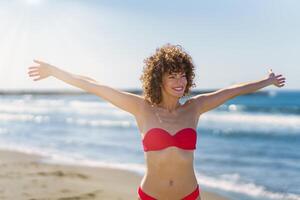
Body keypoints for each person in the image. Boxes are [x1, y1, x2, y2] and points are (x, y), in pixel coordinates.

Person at [27, 44, 286, 200]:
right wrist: (54, 72)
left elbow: (232, 91)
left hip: (189, 195)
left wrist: (267, 81)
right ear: (158, 80)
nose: (180, 82)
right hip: (151, 196)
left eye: (183, 76)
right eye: (173, 76)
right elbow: (95, 86)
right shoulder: (141, 109)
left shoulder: (194, 108)